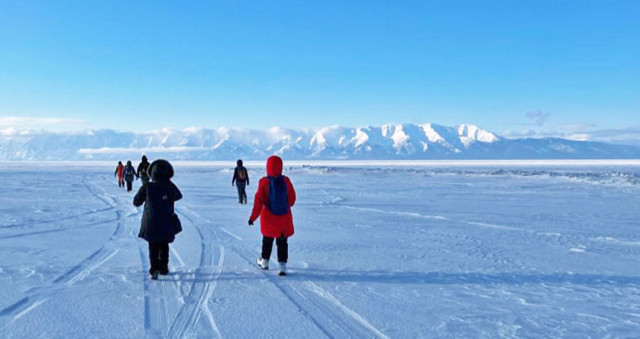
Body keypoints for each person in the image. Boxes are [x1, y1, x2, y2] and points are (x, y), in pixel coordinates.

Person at [134, 159, 183, 280]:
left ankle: (154, 269)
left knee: (153, 245)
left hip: (150, 222)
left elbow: (136, 202)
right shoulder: (169, 186)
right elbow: (178, 195)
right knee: (164, 244)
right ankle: (164, 269)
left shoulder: (147, 186)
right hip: (166, 220)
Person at [248, 155, 296, 276]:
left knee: (267, 240)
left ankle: (264, 262)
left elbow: (258, 202)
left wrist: (252, 218)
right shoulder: (286, 181)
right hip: (284, 218)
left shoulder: (263, 182)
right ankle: (282, 266)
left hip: (268, 218)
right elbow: (292, 200)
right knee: (282, 242)